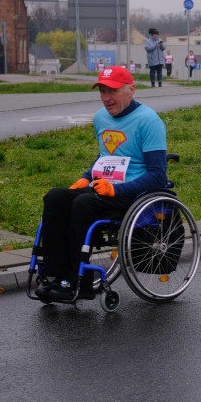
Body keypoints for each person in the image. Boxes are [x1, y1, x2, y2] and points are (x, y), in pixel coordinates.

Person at [36, 66, 168, 302]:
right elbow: (106, 156)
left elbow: (158, 175)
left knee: (83, 204)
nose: (107, 98)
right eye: (103, 91)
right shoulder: (100, 118)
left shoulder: (149, 121)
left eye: (113, 91)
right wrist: (86, 177)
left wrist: (117, 188)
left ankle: (78, 281)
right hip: (102, 188)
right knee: (55, 197)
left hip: (133, 193)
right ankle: (54, 275)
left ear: (131, 90)